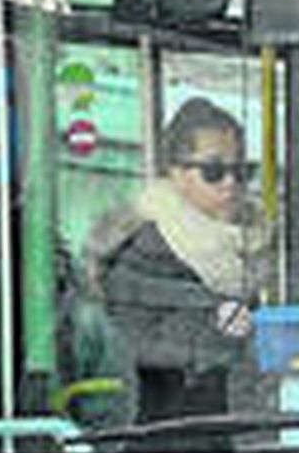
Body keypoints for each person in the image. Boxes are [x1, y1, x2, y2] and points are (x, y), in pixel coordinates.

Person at [90, 98, 269, 424]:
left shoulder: (253, 251)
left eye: (243, 171)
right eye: (214, 171)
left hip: (243, 443)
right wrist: (217, 335)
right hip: (163, 447)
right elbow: (131, 348)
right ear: (176, 173)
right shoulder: (141, 251)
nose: (231, 183)